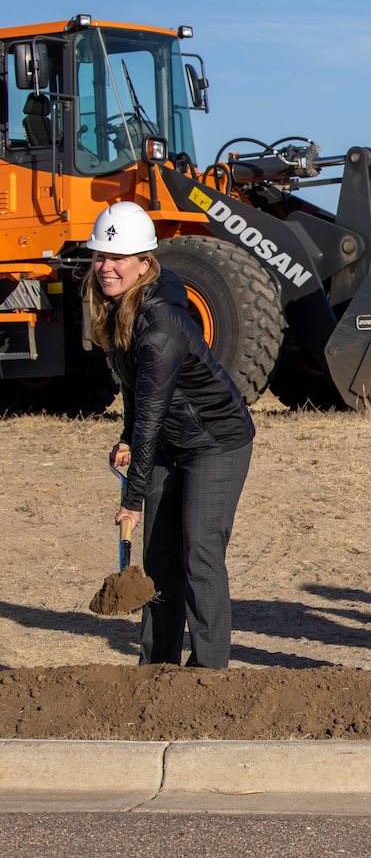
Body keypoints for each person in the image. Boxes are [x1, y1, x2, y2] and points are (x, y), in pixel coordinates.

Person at [86, 202, 255, 668]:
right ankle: (157, 667)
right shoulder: (117, 311)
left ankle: (208, 673)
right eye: (100, 256)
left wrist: (132, 498)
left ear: (144, 264)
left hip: (215, 441)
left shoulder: (160, 327)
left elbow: (153, 412)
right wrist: (125, 436)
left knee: (199, 549)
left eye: (118, 258)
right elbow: (134, 392)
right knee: (159, 556)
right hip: (168, 439)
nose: (106, 267)